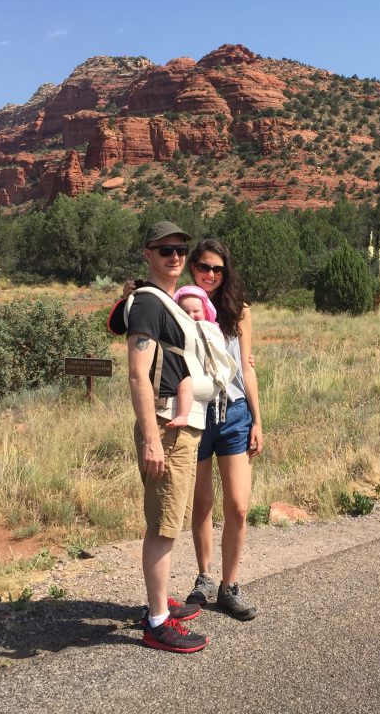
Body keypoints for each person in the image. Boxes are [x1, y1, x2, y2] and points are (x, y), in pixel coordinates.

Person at [125, 221, 209, 653]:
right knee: (163, 524)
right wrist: (151, 439)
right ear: (148, 255)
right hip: (163, 425)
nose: (174, 257)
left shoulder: (165, 302)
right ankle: (157, 621)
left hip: (178, 425)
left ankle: (159, 603)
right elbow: (138, 374)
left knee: (170, 519)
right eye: (165, 251)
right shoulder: (147, 303)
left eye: (181, 249)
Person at [184, 238, 264, 621]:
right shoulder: (182, 305)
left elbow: (247, 367)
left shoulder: (239, 311)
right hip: (197, 412)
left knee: (238, 505)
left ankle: (228, 586)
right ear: (193, 267)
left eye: (218, 268)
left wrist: (257, 419)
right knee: (202, 505)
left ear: (226, 270)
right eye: (204, 266)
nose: (210, 274)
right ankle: (203, 577)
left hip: (234, 414)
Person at [166, 285, 222, 429]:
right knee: (185, 383)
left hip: (207, 374)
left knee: (186, 384)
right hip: (195, 372)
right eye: (185, 312)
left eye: (196, 311)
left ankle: (183, 415)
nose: (191, 315)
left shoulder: (210, 328)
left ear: (205, 310)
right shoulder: (181, 328)